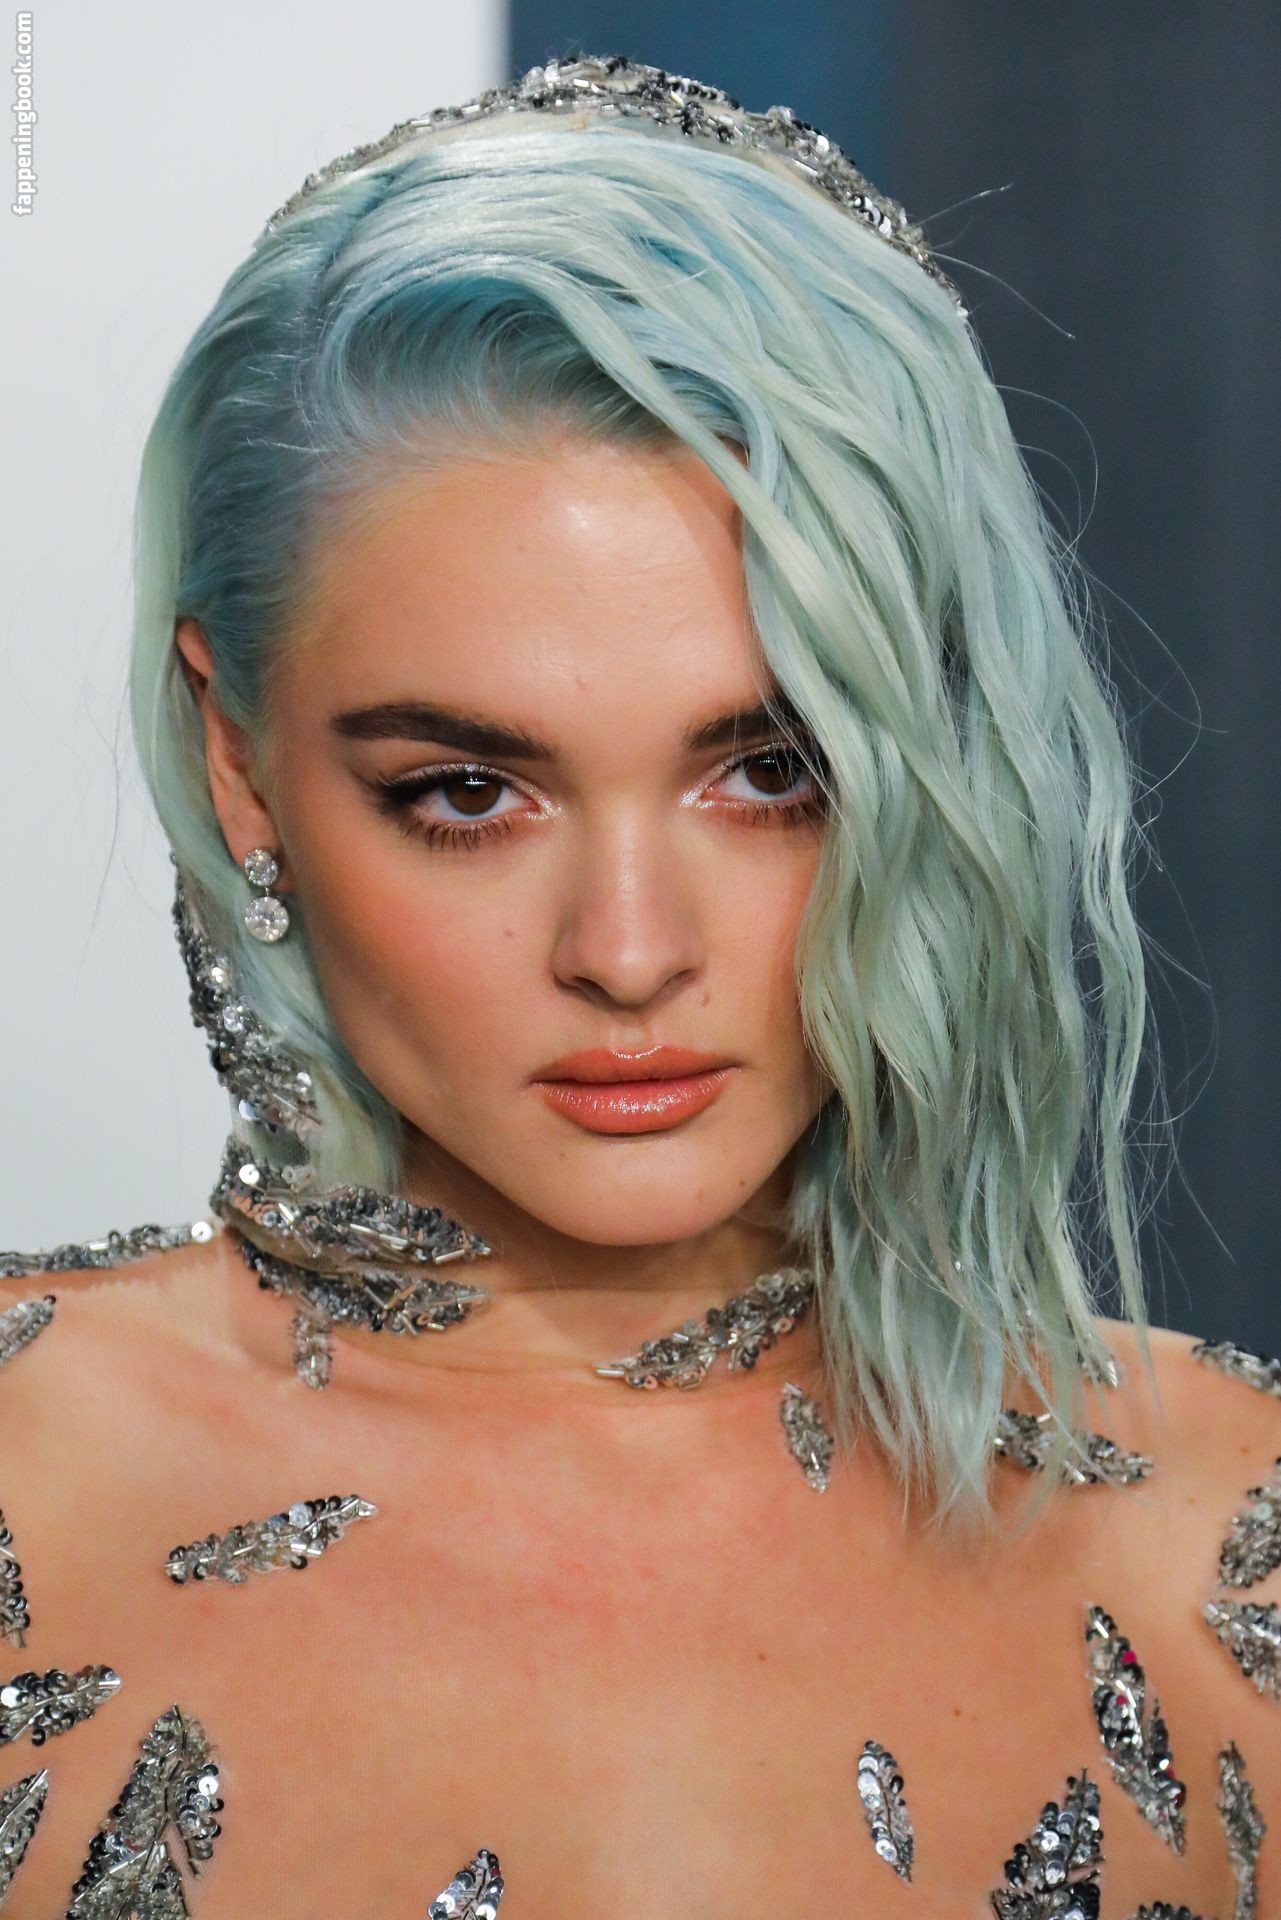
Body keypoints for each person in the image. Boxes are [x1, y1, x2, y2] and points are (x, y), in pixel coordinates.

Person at [1, 52, 1276, 1920]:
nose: (625, 950)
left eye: (768, 773)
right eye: (466, 794)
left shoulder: (1227, 1555)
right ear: (239, 763)